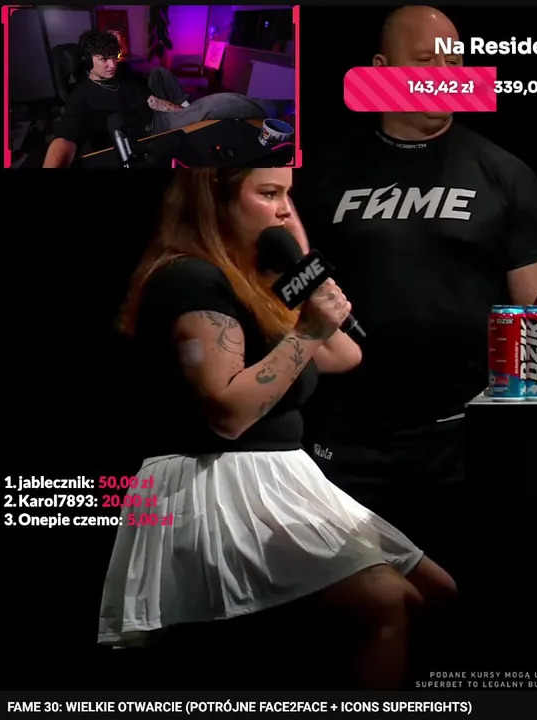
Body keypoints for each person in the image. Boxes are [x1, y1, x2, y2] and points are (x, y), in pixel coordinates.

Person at [101, 168, 456, 689]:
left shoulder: (252, 281)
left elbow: (343, 354)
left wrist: (300, 264)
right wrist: (309, 327)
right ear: (216, 202)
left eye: (289, 194)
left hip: (280, 478)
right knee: (384, 601)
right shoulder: (190, 279)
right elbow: (229, 414)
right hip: (217, 481)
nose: (286, 209)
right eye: (269, 194)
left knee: (438, 592)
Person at [290, 6, 537, 563]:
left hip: (463, 437)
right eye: (425, 61)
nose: (444, 75)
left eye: (454, 62)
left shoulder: (504, 174)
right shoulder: (322, 174)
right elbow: (281, 288)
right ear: (381, 68)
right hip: (346, 438)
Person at [43, 31, 287, 168]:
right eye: (103, 59)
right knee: (212, 104)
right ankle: (278, 108)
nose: (112, 65)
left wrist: (179, 111)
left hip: (156, 112)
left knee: (159, 73)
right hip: (153, 131)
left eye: (114, 57)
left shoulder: (121, 75)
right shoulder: (81, 97)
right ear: (88, 61)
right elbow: (64, 138)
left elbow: (151, 99)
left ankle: (188, 106)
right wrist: (186, 115)